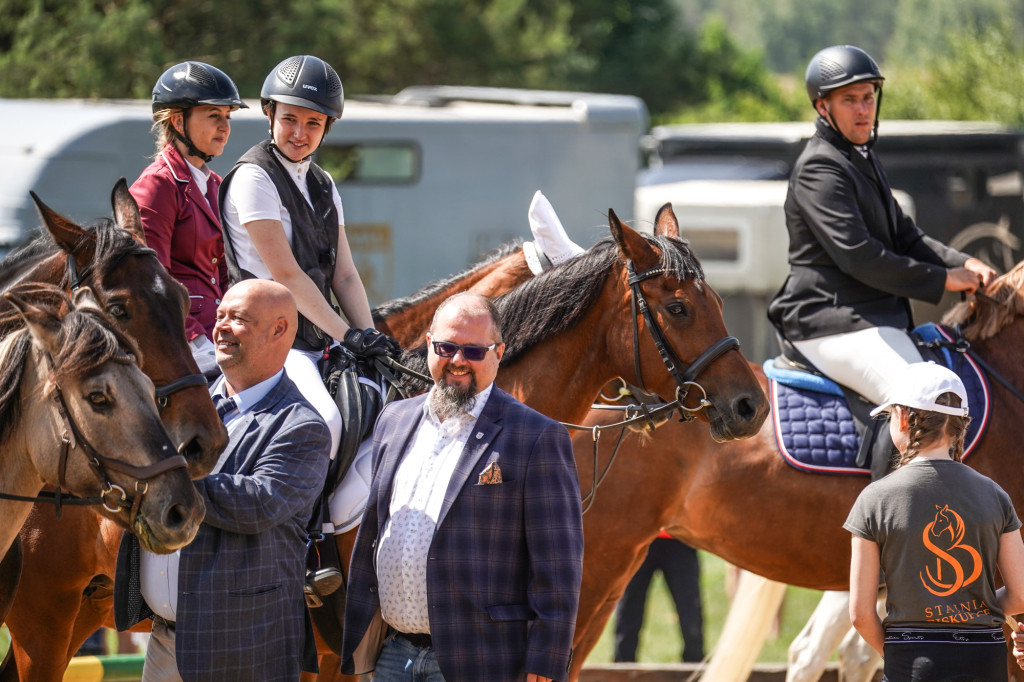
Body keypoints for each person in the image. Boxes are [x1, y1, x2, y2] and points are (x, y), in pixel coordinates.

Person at [340, 292, 584, 682]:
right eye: (447, 347)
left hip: (481, 659)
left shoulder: (537, 436)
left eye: (473, 350)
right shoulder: (394, 420)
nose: (457, 360)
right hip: (393, 655)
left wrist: (547, 656)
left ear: (499, 352)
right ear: (428, 344)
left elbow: (558, 564)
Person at [113, 279, 332, 681]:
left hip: (242, 650)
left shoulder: (302, 427)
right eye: (220, 316)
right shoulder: (180, 403)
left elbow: (258, 503)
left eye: (239, 319)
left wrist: (156, 476)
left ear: (280, 330)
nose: (221, 327)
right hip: (163, 642)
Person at [767, 45, 997, 407]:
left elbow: (904, 234)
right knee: (923, 400)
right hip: (830, 321)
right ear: (822, 106)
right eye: (849, 100)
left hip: (870, 319)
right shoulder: (820, 169)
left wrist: (962, 262)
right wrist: (943, 280)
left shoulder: (861, 156)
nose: (863, 110)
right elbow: (860, 257)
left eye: (868, 98)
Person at [220, 54, 398, 461]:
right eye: (290, 119)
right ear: (270, 114)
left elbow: (346, 275)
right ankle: (308, 524)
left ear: (326, 127)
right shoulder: (254, 177)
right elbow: (287, 275)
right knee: (326, 422)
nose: (300, 133)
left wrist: (369, 339)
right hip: (267, 339)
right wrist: (346, 334)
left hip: (315, 338)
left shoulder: (322, 181)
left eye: (313, 123)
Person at [845, 362, 1024, 681]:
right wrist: (974, 609)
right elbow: (1020, 594)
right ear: (962, 426)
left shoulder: (874, 499)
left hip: (912, 661)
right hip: (986, 660)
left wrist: (897, 654)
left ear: (901, 417)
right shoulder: (996, 495)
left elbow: (860, 614)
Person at [130, 61, 247, 376]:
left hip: (221, 329)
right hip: (179, 338)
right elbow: (152, 279)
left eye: (227, 117)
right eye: (213, 116)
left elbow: (227, 273)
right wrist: (197, 341)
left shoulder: (217, 186)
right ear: (178, 122)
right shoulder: (157, 185)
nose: (225, 127)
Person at [613, 531, 705, 664]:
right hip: (640, 536)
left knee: (690, 610)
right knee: (629, 610)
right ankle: (621, 669)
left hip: (680, 538)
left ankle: (695, 668)